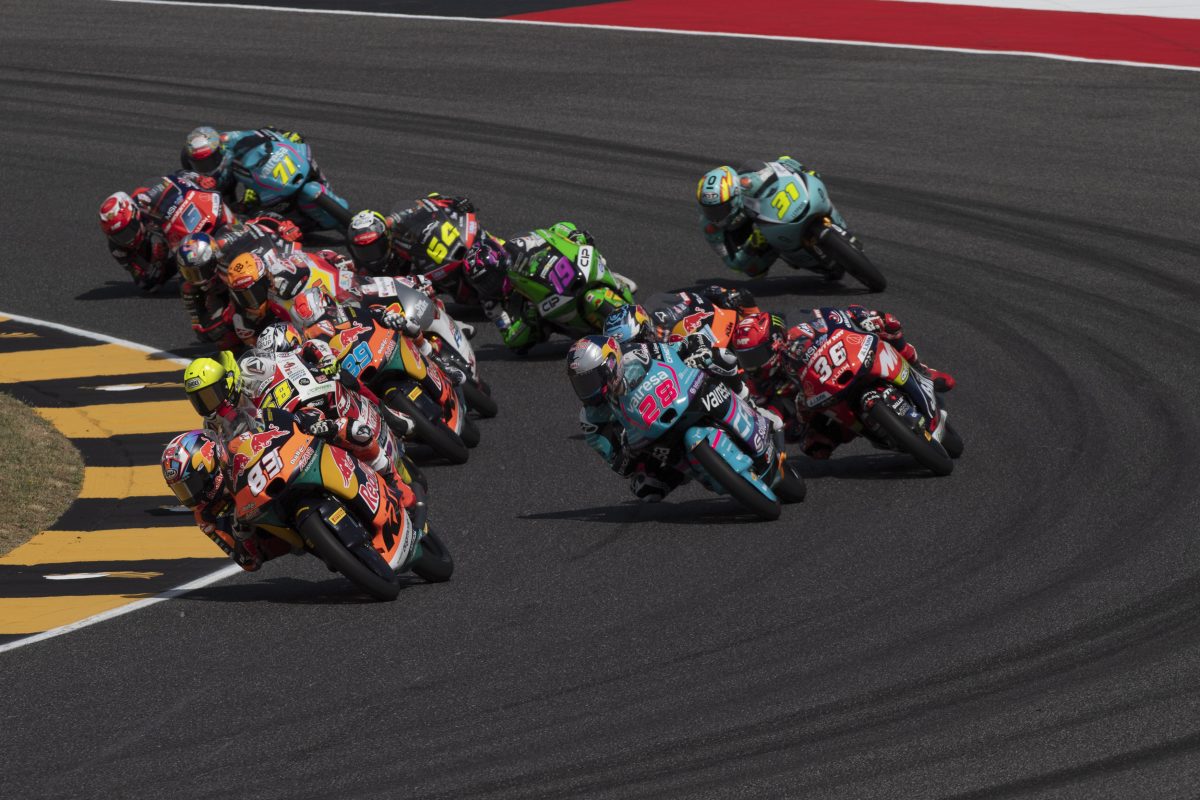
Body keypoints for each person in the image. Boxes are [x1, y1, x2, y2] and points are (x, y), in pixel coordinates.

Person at [566, 332, 744, 502]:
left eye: (591, 381)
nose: (588, 391)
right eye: (580, 384)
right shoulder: (591, 419)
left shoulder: (636, 352)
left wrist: (696, 350)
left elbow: (676, 347)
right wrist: (627, 451)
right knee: (645, 488)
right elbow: (619, 466)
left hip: (675, 398)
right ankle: (696, 470)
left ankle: (748, 400)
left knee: (722, 357)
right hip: (647, 438)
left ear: (610, 365)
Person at [777, 306, 956, 458]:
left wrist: (865, 319)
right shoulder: (785, 364)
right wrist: (801, 413)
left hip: (853, 357)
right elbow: (793, 422)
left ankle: (918, 368)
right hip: (832, 389)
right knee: (812, 445)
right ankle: (871, 429)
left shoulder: (819, 320)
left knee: (888, 322)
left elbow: (841, 316)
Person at [463, 222, 639, 353]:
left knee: (582, 242)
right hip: (536, 313)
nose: (490, 284)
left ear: (501, 262)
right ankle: (571, 327)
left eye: (491, 277)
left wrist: (572, 235)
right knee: (526, 339)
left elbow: (550, 232)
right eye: (483, 283)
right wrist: (528, 319)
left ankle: (609, 276)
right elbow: (510, 338)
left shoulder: (515, 246)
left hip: (550, 278)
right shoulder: (490, 302)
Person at [696, 156, 851, 278]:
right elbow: (733, 264)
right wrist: (752, 245)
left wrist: (805, 171)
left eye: (721, 208)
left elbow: (783, 162)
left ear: (735, 194)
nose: (715, 215)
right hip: (750, 238)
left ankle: (831, 219)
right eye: (709, 209)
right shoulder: (710, 227)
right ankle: (786, 251)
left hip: (768, 213)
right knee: (752, 271)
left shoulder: (748, 180)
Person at [161, 429, 291, 571]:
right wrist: (243, 537)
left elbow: (274, 432)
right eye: (181, 490)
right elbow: (248, 563)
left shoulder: (236, 449)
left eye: (192, 485)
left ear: (207, 468)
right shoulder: (205, 516)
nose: (190, 495)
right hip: (282, 538)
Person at [98, 190, 174, 292]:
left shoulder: (143, 199)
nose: (128, 239)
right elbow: (141, 273)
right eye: (119, 236)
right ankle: (179, 262)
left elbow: (170, 188)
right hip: (146, 249)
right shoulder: (119, 250)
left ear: (134, 214)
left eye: (128, 231)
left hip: (161, 223)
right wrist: (157, 261)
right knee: (147, 284)